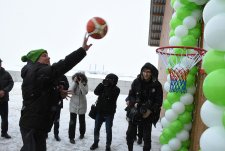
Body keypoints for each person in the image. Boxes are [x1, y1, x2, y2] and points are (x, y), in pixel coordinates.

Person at [19, 34, 92, 151]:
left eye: (48, 55)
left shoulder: (37, 72)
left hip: (36, 124)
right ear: (35, 60)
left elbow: (40, 95)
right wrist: (82, 50)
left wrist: (58, 94)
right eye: (44, 56)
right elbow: (62, 66)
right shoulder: (35, 70)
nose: (48, 58)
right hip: (33, 125)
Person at [125, 62, 163, 151]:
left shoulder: (157, 85)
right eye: (144, 71)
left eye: (148, 72)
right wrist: (133, 102)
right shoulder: (136, 81)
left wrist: (150, 110)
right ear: (142, 72)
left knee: (147, 139)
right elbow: (131, 95)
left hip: (148, 114)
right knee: (130, 135)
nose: (146, 74)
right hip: (135, 112)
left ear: (152, 73)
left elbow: (158, 101)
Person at [90, 73, 120, 151]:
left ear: (114, 81)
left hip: (109, 113)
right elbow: (96, 92)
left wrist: (108, 86)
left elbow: (110, 97)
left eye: (110, 79)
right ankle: (95, 143)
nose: (107, 81)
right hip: (99, 111)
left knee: (108, 130)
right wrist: (101, 84)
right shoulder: (103, 86)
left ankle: (108, 145)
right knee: (96, 128)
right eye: (107, 79)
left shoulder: (116, 89)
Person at [68, 72, 88, 144]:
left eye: (80, 77)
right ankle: (71, 137)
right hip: (73, 104)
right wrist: (75, 82)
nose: (78, 78)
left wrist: (80, 83)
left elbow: (85, 92)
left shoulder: (85, 83)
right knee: (72, 122)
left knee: (82, 121)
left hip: (82, 105)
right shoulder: (73, 82)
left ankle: (82, 133)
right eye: (77, 77)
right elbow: (70, 90)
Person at [52, 74, 69, 141]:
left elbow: (67, 86)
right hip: (48, 102)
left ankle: (56, 134)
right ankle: (45, 133)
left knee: (57, 120)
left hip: (58, 102)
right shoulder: (51, 75)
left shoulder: (63, 76)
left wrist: (63, 87)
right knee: (47, 118)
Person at [0, 58, 14, 139]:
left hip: (4, 100)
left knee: (4, 118)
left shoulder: (6, 73)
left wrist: (4, 91)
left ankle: (4, 132)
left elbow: (11, 83)